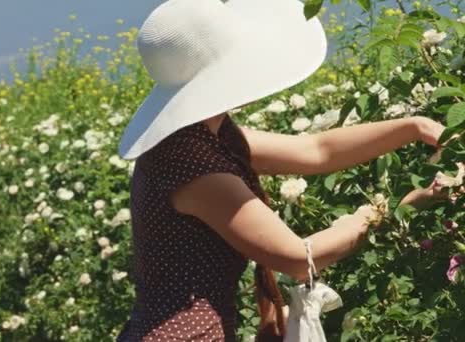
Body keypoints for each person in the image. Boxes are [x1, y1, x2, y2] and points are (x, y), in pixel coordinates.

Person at [115, 0, 448, 340]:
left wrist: (415, 127)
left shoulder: (210, 134)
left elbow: (316, 151)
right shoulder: (191, 164)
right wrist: (383, 212)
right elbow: (298, 258)